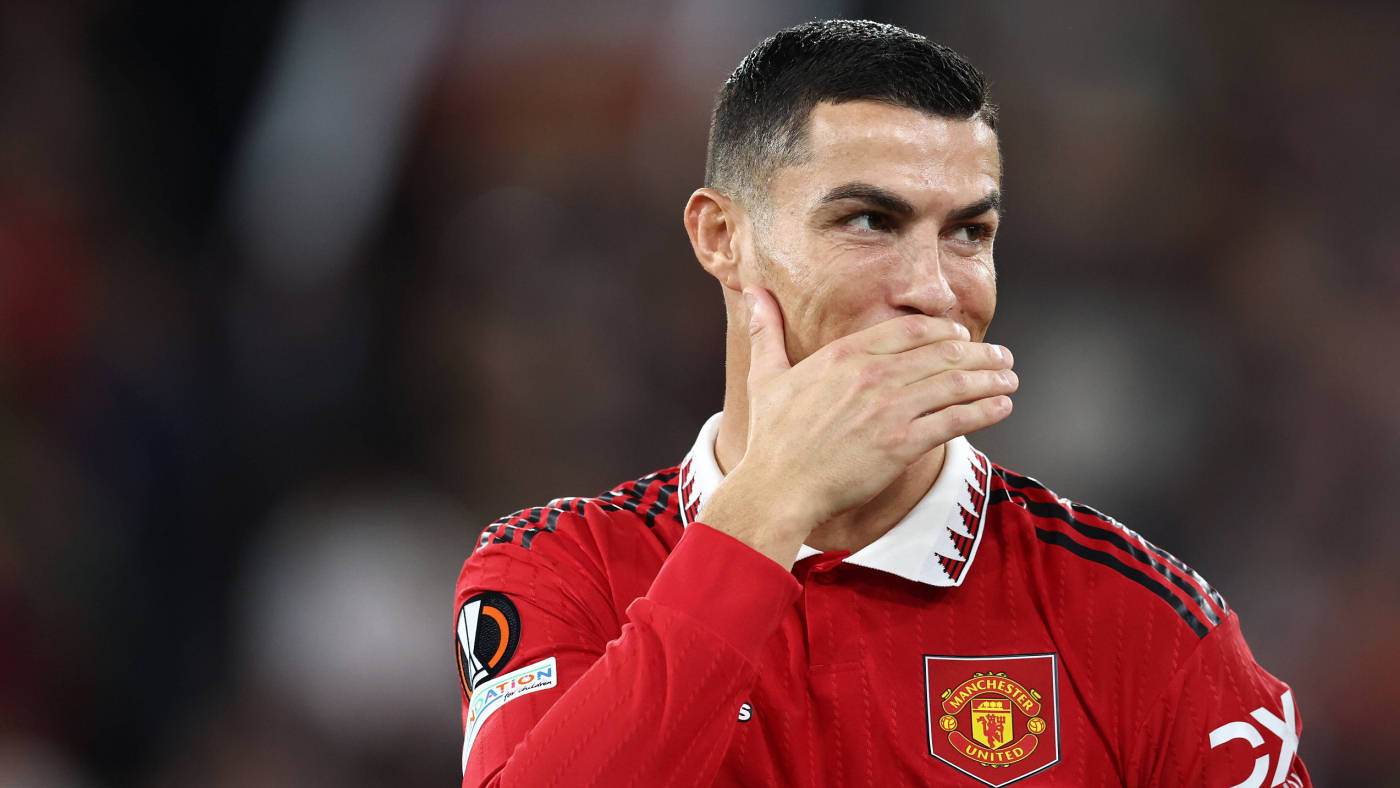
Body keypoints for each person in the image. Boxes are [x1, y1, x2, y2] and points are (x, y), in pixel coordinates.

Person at [453, 19, 1310, 788]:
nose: (933, 290)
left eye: (969, 232)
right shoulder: (560, 571)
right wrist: (774, 500)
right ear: (723, 237)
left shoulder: (1143, 621)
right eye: (869, 220)